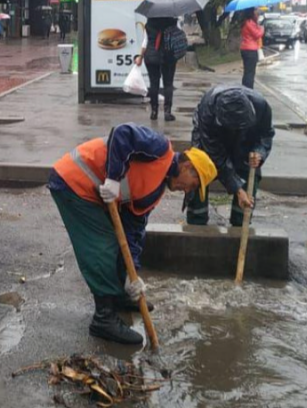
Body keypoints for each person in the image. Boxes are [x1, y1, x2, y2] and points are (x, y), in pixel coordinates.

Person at [49, 123, 217, 345]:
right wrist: (113, 178)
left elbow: (134, 231)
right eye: (193, 185)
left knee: (118, 245)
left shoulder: (155, 192)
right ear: (187, 166)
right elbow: (122, 133)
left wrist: (132, 275)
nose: (188, 190)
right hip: (73, 181)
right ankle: (103, 319)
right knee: (102, 245)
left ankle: (118, 297)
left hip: (91, 191)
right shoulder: (159, 148)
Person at [186, 85, 275, 227]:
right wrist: (237, 189)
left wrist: (260, 152)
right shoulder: (208, 111)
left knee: (249, 171)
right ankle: (196, 222)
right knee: (198, 169)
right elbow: (216, 155)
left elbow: (266, 135)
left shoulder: (261, 107)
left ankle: (240, 223)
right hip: (209, 138)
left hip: (245, 141)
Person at [135, 17, 186, 122]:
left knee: (154, 84)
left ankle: (154, 112)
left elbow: (145, 42)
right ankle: (167, 113)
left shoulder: (149, 23)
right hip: (168, 57)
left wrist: (140, 56)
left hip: (151, 56)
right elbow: (179, 36)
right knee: (168, 84)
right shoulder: (173, 21)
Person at [240, 7, 264, 89]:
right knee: (250, 73)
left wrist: (257, 23)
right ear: (251, 12)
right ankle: (248, 90)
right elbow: (257, 35)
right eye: (255, 10)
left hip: (245, 48)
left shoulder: (247, 22)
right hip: (250, 50)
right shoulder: (249, 23)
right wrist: (262, 29)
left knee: (247, 72)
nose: (256, 11)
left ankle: (245, 89)